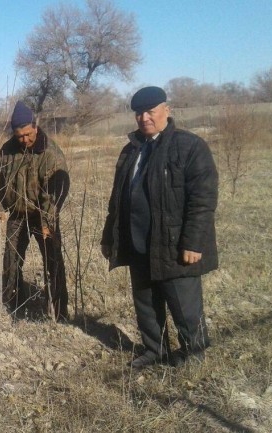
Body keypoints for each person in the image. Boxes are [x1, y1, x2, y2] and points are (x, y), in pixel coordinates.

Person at [101, 86, 218, 368]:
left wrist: (193, 242)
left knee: (184, 305)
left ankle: (194, 355)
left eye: (151, 111)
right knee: (146, 304)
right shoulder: (131, 151)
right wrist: (109, 237)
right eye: (139, 113)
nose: (144, 118)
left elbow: (203, 199)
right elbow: (117, 199)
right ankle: (155, 350)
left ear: (167, 110)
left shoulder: (189, 146)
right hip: (137, 241)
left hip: (173, 244)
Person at [0, 101, 70, 321]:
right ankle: (15, 304)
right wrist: (0, 206)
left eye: (28, 134)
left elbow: (56, 192)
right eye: (20, 136)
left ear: (35, 127)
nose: (25, 140)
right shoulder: (7, 150)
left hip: (43, 215)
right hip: (17, 214)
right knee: (11, 259)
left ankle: (58, 311)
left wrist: (47, 223)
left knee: (53, 260)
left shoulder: (50, 152)